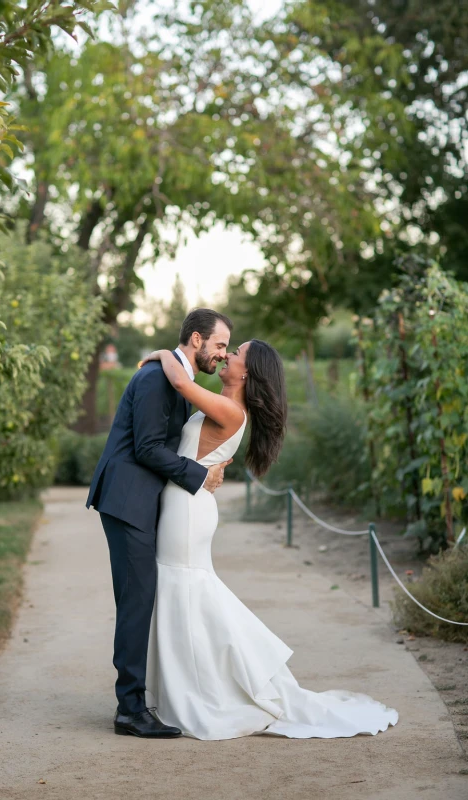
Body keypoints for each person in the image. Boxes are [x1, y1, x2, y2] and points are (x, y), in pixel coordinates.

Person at [140, 341, 399, 740]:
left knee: (184, 590)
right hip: (186, 505)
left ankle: (199, 689)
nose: (227, 355)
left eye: (236, 352)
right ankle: (185, 686)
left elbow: (178, 380)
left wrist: (161, 354)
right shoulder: (221, 403)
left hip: (188, 514)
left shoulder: (229, 409)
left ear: (247, 373)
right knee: (185, 592)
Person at [86, 308, 234, 738]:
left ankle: (137, 700)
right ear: (195, 340)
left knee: (142, 598)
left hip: (139, 501)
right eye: (219, 344)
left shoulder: (173, 377)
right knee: (137, 601)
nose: (222, 355)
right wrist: (200, 476)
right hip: (127, 500)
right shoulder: (155, 379)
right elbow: (148, 448)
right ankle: (129, 710)